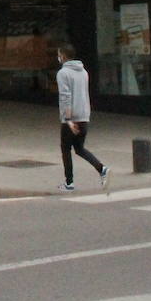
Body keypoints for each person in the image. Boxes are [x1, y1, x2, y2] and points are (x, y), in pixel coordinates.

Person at [56, 43, 111, 192]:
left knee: (65, 148)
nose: (58, 57)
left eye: (59, 54)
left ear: (63, 56)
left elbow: (65, 97)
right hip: (84, 115)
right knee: (79, 148)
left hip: (71, 117)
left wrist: (68, 120)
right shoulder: (84, 71)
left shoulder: (63, 73)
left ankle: (69, 182)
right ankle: (101, 168)